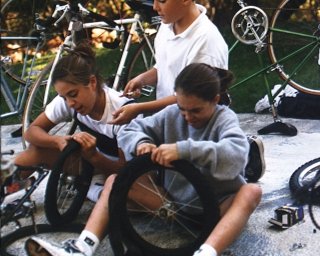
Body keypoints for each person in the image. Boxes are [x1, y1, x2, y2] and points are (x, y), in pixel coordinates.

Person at [26, 63, 263, 256]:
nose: (187, 117)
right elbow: (131, 131)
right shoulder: (173, 114)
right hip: (172, 205)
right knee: (114, 182)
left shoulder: (225, 119)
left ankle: (207, 252)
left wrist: (183, 150)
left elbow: (235, 156)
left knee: (251, 192)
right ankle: (81, 249)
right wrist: (142, 144)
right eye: (182, 108)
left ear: (215, 99)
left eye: (196, 110)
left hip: (216, 208)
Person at [12, 43, 131, 202]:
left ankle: (92, 190)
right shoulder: (70, 99)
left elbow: (126, 170)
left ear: (92, 82)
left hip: (120, 170)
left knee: (119, 200)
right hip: (92, 164)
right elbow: (31, 132)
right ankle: (5, 190)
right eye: (64, 98)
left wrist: (94, 156)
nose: (69, 103)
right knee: (35, 151)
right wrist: (56, 141)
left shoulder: (122, 111)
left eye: (73, 94)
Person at [110, 0, 228, 125]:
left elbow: (192, 97)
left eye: (162, 1)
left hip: (196, 128)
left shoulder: (206, 41)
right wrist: (142, 79)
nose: (155, 7)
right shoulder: (167, 24)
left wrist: (139, 109)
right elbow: (165, 66)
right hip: (170, 122)